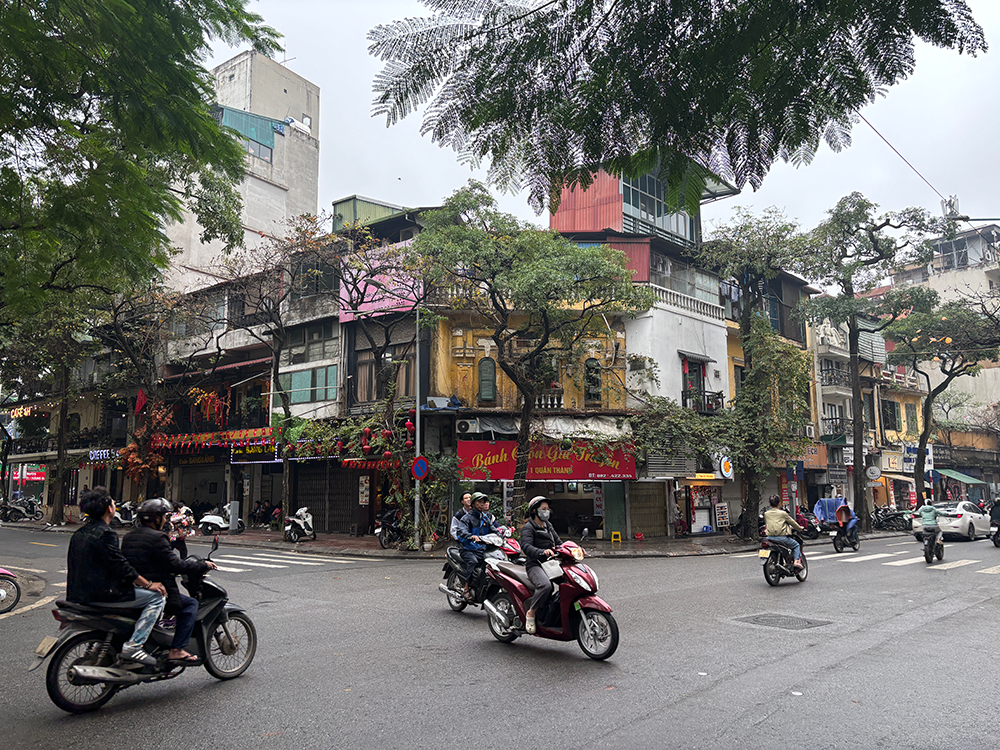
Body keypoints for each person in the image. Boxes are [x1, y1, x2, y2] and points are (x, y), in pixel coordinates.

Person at [66, 487, 167, 667]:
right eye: (112, 502)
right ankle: (134, 646)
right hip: (102, 594)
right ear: (109, 508)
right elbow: (121, 566)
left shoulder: (79, 533)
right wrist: (148, 584)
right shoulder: (106, 533)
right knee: (157, 597)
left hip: (77, 593)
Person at [122, 498, 217, 664]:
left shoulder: (129, 536)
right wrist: (202, 565)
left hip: (133, 588)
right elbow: (175, 564)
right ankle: (177, 649)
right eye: (164, 517)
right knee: (190, 605)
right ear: (157, 518)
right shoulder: (158, 538)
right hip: (156, 589)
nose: (166, 520)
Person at [521, 496, 562, 634]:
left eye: (547, 509)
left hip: (550, 563)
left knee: (570, 582)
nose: (546, 512)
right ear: (534, 511)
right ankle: (531, 613)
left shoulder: (548, 526)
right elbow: (526, 547)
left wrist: (574, 549)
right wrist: (541, 552)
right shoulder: (528, 527)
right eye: (543, 509)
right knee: (546, 586)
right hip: (535, 564)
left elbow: (559, 543)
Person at [454, 492, 499, 600]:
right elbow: (461, 531)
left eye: (483, 502)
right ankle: (466, 588)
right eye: (479, 502)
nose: (482, 504)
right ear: (473, 504)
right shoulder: (466, 518)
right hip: (467, 549)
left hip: (481, 549)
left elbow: (494, 530)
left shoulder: (485, 518)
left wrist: (502, 536)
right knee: (473, 562)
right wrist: (471, 536)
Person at [763, 495, 804, 569]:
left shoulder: (766, 514)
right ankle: (796, 561)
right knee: (796, 545)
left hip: (769, 538)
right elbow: (793, 523)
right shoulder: (783, 513)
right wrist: (800, 528)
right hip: (781, 538)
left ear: (770, 504)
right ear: (779, 503)